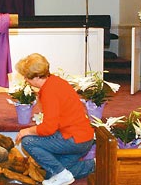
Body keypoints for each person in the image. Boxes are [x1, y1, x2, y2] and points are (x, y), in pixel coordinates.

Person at [15, 53, 95, 185]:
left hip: (74, 140)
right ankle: (92, 165)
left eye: (26, 76)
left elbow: (48, 128)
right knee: (51, 173)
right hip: (84, 138)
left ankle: (62, 174)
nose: (24, 79)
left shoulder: (49, 92)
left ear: (35, 76)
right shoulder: (55, 81)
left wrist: (27, 131)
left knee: (28, 142)